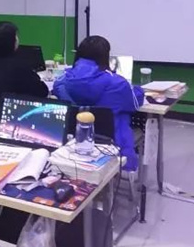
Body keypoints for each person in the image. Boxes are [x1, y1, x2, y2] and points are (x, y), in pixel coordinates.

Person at [53, 36, 144, 171]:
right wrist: (137, 89)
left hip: (73, 142)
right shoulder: (118, 84)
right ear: (105, 56)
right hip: (110, 143)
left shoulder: (61, 81)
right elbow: (135, 101)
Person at [0, 22, 48, 98]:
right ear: (10, 41)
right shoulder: (19, 66)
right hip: (7, 105)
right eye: (15, 36)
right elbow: (42, 91)